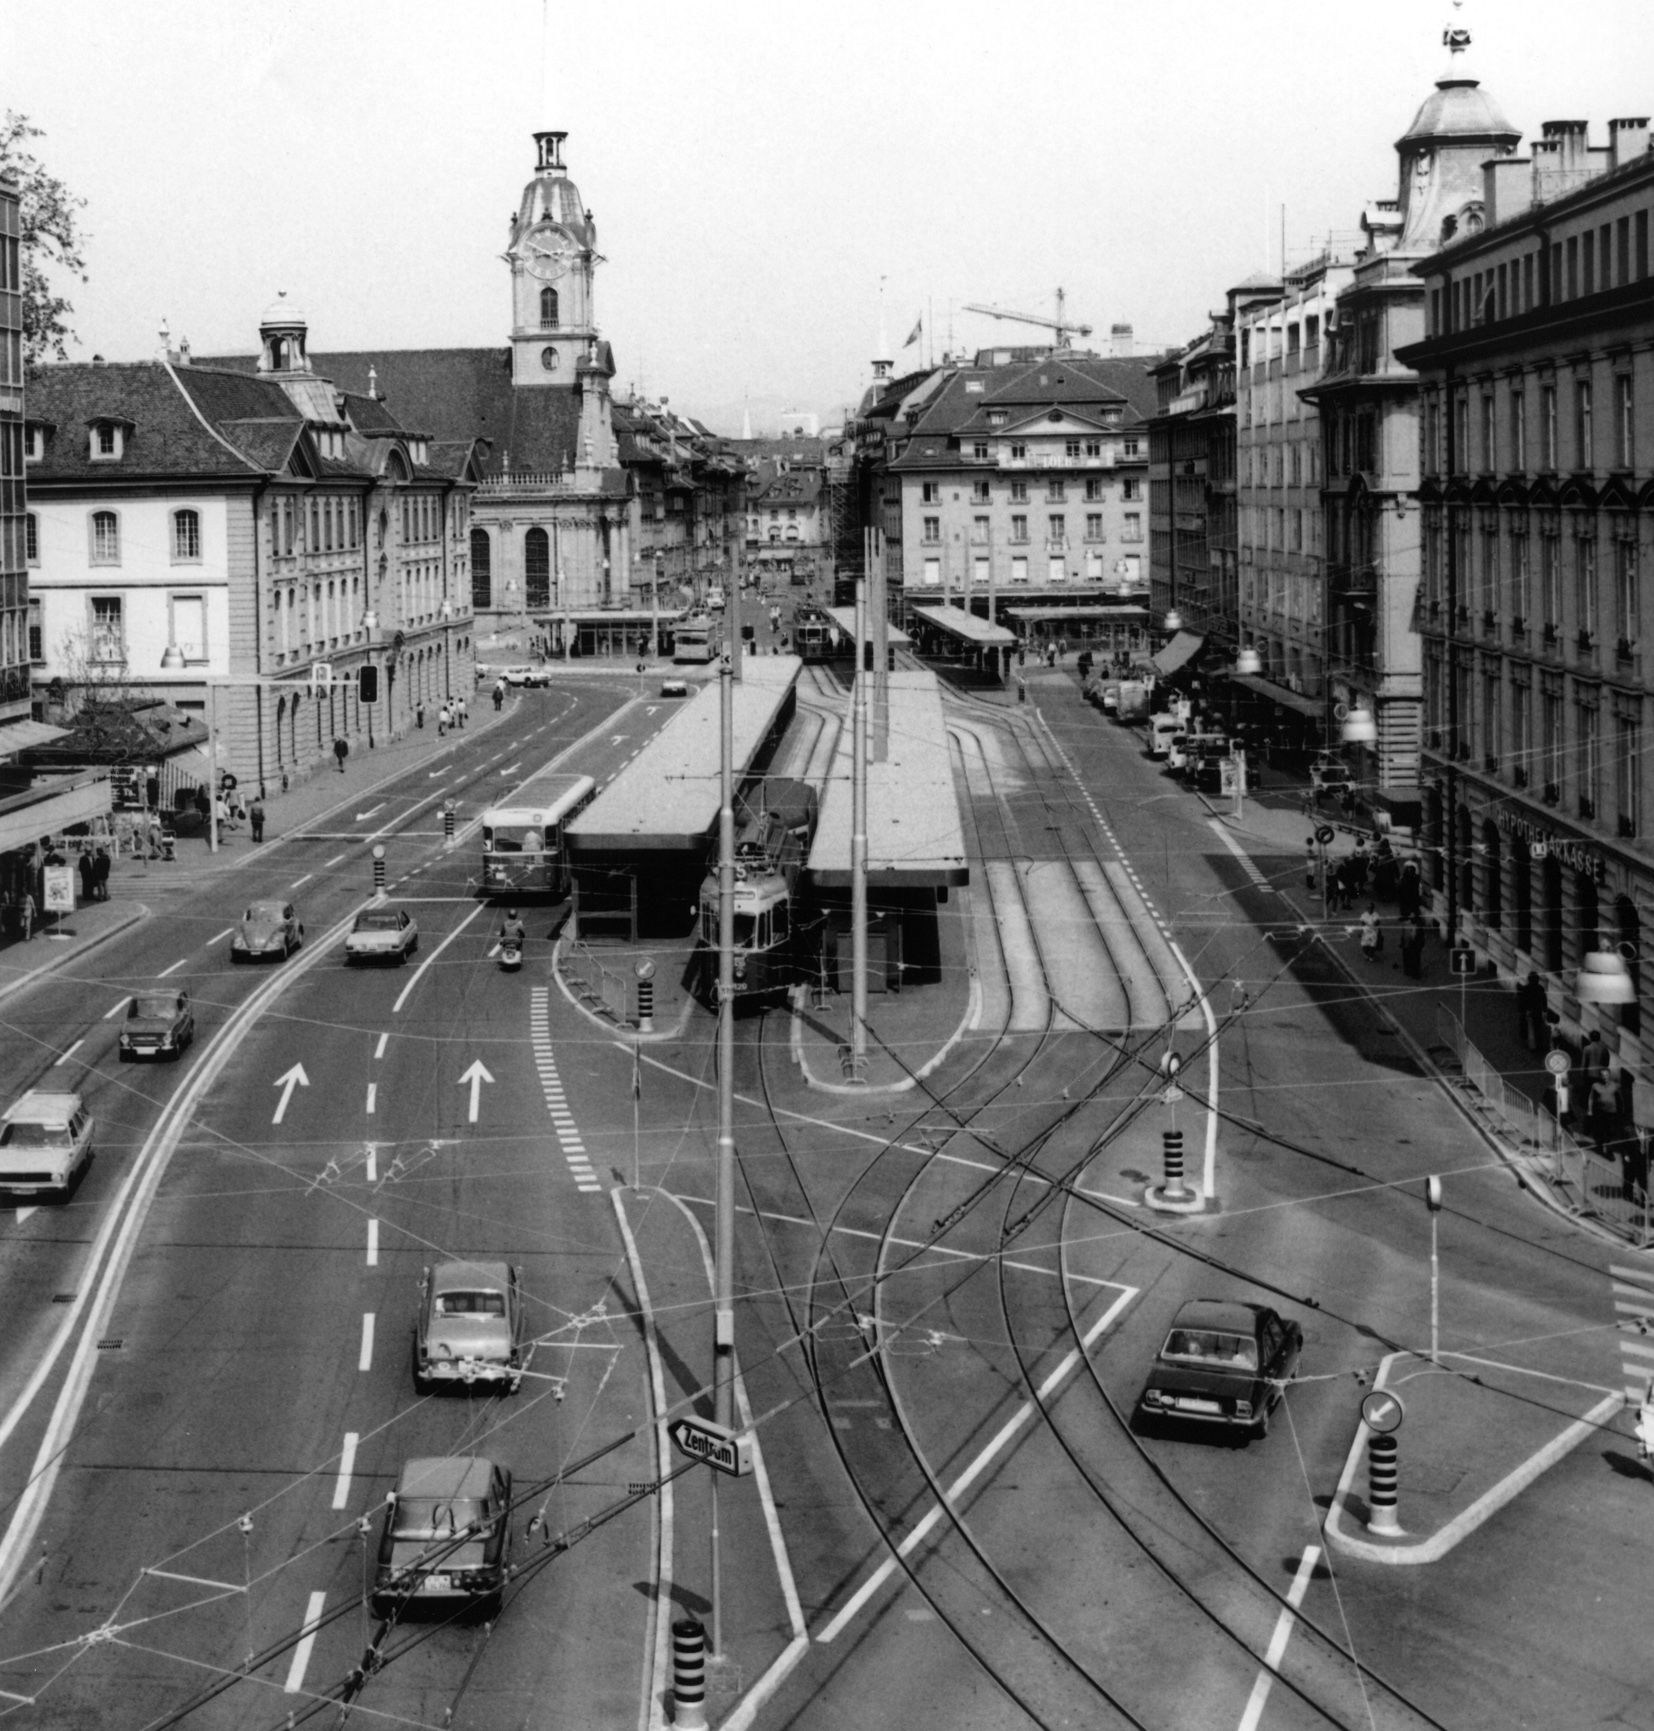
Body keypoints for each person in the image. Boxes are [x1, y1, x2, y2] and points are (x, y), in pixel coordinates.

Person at [1516, 971, 1548, 1051]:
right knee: (1537, 1028)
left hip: (1528, 1011)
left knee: (1529, 1028)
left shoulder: (1525, 989)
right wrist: (1544, 1010)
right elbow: (1544, 1000)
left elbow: (1522, 1001)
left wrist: (1522, 1011)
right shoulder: (1540, 989)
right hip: (1537, 1011)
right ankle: (1538, 1044)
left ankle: (1531, 1045)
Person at [1401, 913, 1427, 978]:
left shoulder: (1419, 926)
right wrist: (1402, 943)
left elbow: (1422, 936)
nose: (1412, 920)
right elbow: (1403, 934)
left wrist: (1421, 944)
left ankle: (1415, 973)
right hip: (1408, 943)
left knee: (1416, 959)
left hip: (1415, 944)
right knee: (1407, 957)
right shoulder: (1406, 924)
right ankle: (1407, 970)